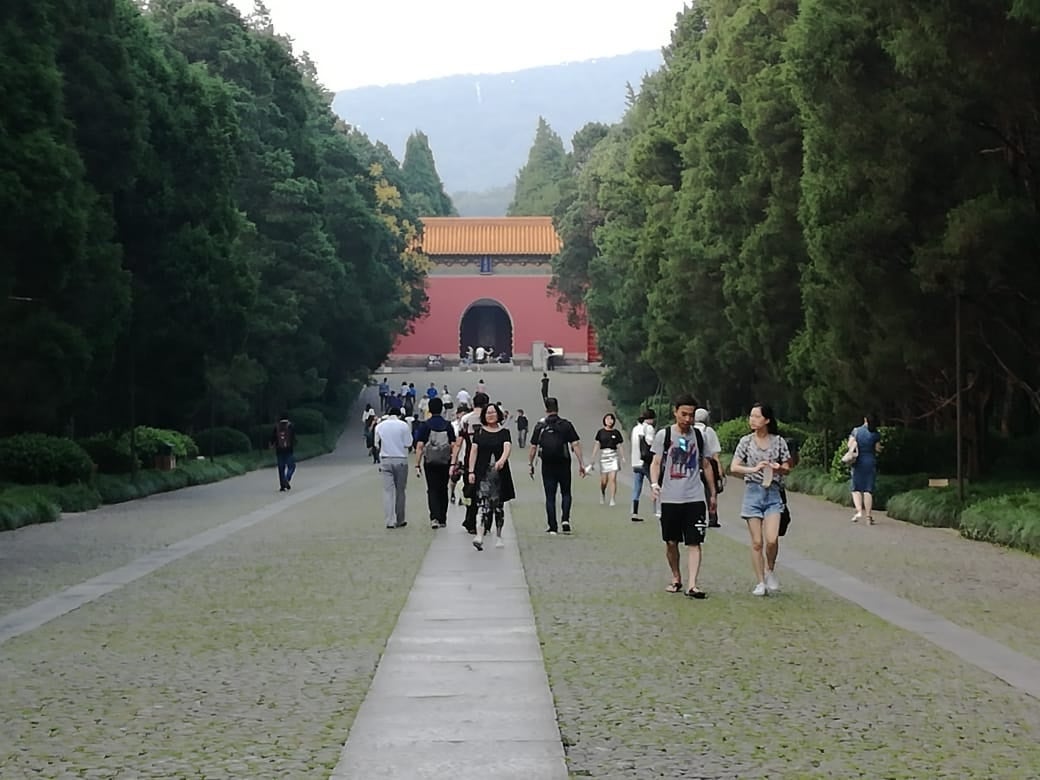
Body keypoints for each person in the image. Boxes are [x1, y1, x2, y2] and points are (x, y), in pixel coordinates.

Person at [649, 395, 717, 600]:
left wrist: (712, 493)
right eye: (684, 414)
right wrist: (654, 485)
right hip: (670, 497)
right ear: (675, 412)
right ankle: (676, 576)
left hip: (695, 496)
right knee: (671, 542)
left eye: (691, 415)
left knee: (694, 542)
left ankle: (693, 584)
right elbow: (656, 462)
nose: (688, 419)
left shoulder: (698, 435)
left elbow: (706, 465)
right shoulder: (665, 434)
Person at [730, 403, 793, 596]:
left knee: (772, 539)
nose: (752, 420)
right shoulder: (746, 442)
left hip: (773, 492)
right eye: (751, 416)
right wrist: (754, 468)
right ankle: (760, 582)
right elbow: (734, 467)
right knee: (757, 542)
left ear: (766, 420)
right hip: (753, 492)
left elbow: (788, 466)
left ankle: (770, 570)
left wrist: (778, 468)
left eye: (756, 416)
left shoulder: (779, 441)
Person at [528, 397, 586, 535]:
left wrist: (530, 464)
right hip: (563, 462)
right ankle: (565, 519)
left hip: (547, 464)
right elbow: (575, 444)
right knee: (566, 492)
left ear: (546, 409)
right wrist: (581, 463)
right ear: (557, 408)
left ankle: (552, 526)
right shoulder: (565, 424)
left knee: (550, 496)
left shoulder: (540, 426)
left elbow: (533, 447)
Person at [467, 403, 516, 550]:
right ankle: (479, 535)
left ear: (498, 415)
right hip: (483, 473)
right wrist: (471, 471)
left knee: (498, 507)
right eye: (488, 413)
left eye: (493, 412)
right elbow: (473, 452)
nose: (490, 415)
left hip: (500, 475)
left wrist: (501, 460)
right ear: (483, 416)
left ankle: (499, 535)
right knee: (482, 505)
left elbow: (507, 447)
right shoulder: (479, 433)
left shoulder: (504, 432)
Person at [414, 397, 458, 529]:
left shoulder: (425, 425)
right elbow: (453, 444)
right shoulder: (447, 425)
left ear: (430, 409)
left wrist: (417, 464)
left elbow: (420, 446)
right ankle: (443, 518)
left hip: (430, 462)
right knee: (443, 489)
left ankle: (434, 517)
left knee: (432, 489)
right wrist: (453, 461)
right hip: (445, 461)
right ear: (442, 409)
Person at [375, 407, 413, 529]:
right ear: (399, 415)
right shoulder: (403, 425)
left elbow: (376, 444)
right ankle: (400, 519)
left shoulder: (380, 426)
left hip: (385, 459)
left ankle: (389, 520)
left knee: (387, 491)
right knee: (400, 491)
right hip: (401, 459)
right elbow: (408, 443)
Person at [459, 392, 490, 534]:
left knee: (471, 492)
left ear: (473, 404)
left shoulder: (465, 419)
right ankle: (486, 523)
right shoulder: (490, 418)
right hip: (486, 460)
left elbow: (459, 442)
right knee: (486, 493)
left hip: (468, 459)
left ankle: (471, 521)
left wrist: (454, 463)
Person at [849, 413, 883, 524]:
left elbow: (850, 445)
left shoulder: (856, 431)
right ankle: (868, 517)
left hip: (858, 461)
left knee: (856, 488)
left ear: (865, 420)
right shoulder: (875, 434)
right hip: (870, 461)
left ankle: (859, 511)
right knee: (868, 490)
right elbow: (878, 449)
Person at [694, 408, 724, 527]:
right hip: (708, 465)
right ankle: (712, 517)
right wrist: (720, 470)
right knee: (711, 492)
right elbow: (715, 453)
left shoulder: (690, 430)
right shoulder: (709, 431)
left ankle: (698, 517)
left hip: (694, 467)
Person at [589, 413, 625, 506]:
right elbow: (597, 444)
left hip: (613, 456)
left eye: (611, 419)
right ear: (604, 421)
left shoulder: (616, 433)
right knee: (604, 481)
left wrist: (622, 456)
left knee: (613, 479)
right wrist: (593, 457)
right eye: (608, 419)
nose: (610, 421)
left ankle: (612, 498)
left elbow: (619, 445)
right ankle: (602, 492)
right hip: (604, 456)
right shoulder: (600, 432)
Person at [630, 409, 657, 522]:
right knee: (655, 484)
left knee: (637, 488)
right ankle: (657, 510)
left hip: (635, 461)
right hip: (646, 462)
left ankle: (634, 512)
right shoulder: (649, 428)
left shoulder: (635, 428)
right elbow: (651, 443)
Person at [269, 413, 297, 492]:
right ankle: (287, 479)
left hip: (279, 450)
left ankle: (282, 485)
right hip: (289, 450)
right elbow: (293, 438)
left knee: (281, 468)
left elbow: (272, 438)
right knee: (291, 466)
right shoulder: (291, 426)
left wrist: (271, 445)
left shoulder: (276, 427)